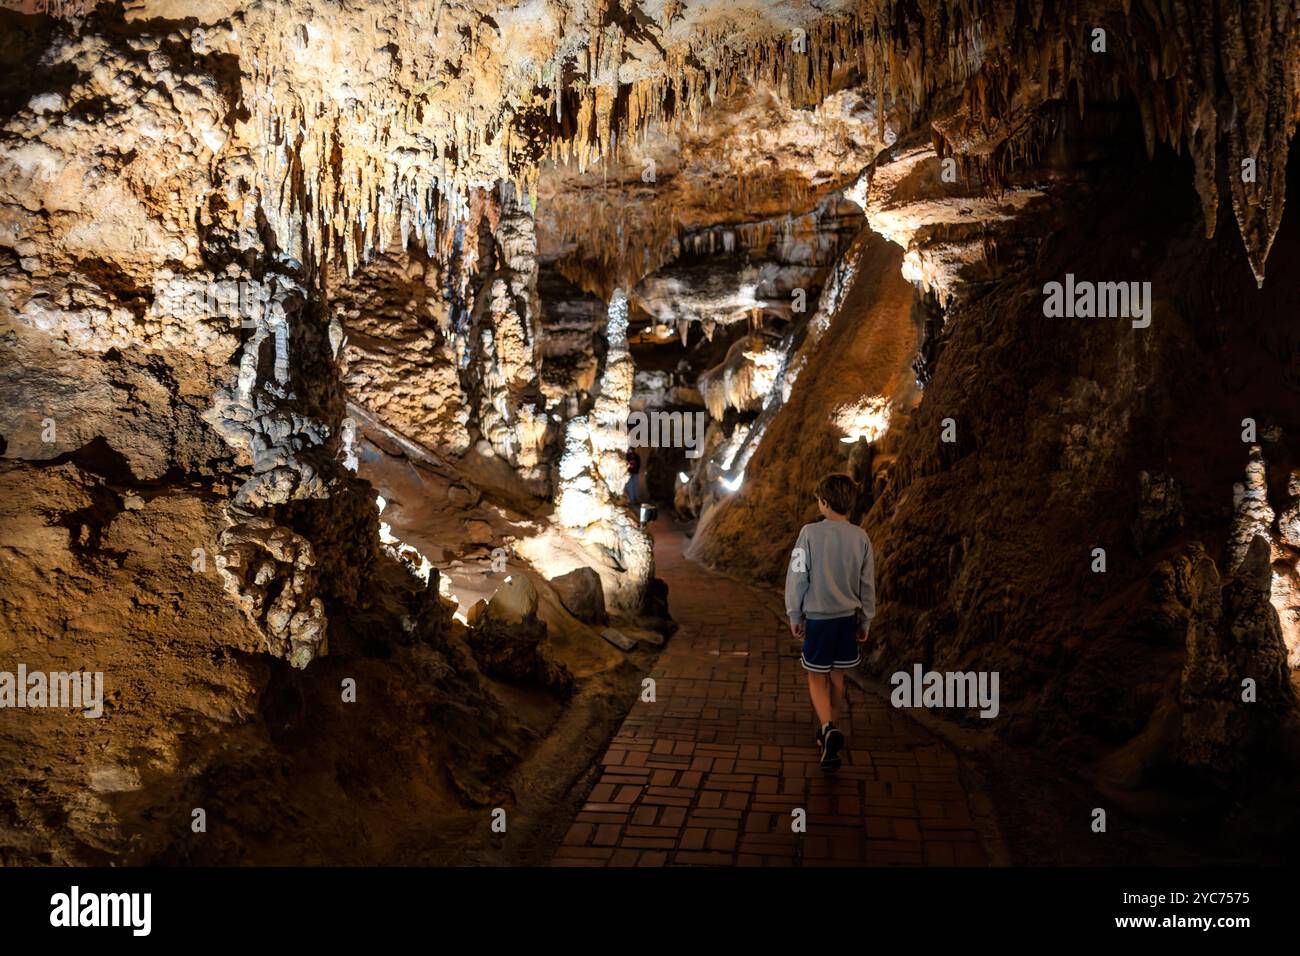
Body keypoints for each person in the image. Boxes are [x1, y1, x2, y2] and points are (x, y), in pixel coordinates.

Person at [784, 473, 876, 773]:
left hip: (819, 619)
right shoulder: (861, 537)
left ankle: (827, 728)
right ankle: (830, 733)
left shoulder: (809, 534)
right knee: (837, 677)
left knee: (815, 677)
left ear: (824, 503)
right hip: (847, 620)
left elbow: (797, 575)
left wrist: (794, 614)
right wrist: (866, 620)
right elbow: (867, 584)